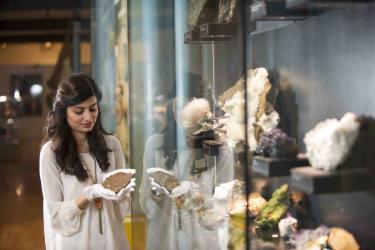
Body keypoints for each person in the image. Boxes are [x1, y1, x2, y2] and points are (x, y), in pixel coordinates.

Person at [39, 73, 135, 250]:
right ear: (63, 111)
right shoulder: (51, 153)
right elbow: (56, 216)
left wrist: (121, 191)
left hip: (112, 239)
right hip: (75, 242)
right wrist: (88, 195)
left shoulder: (112, 145)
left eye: (93, 109)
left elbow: (122, 208)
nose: (88, 117)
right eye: (79, 111)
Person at [139, 73, 234, 250]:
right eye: (177, 106)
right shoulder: (155, 144)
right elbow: (144, 198)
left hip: (203, 240)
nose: (182, 114)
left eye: (188, 106)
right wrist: (155, 195)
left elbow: (224, 203)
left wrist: (195, 197)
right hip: (163, 236)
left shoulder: (220, 150)